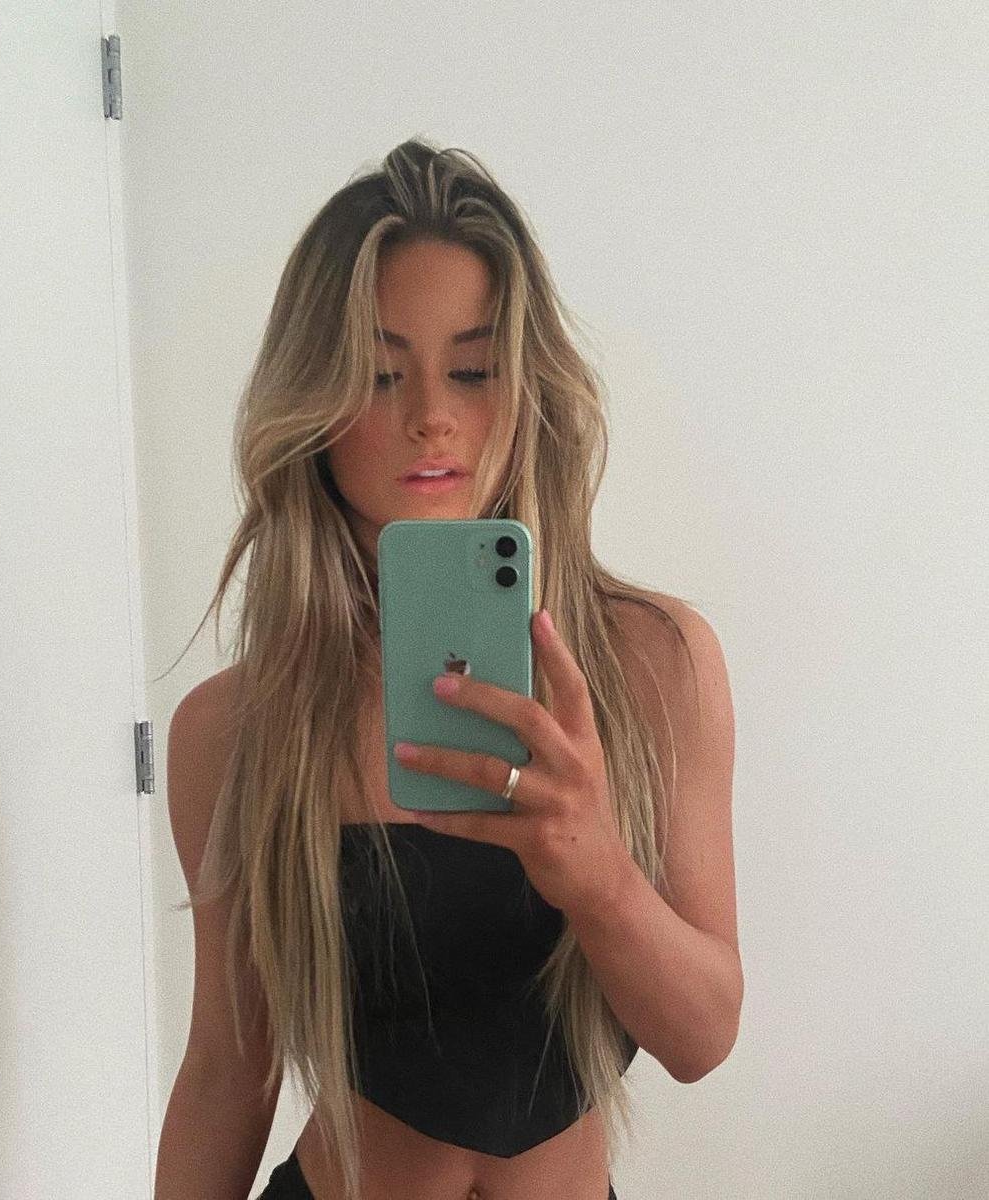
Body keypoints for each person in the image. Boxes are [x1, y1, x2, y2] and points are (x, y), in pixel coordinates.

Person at [153, 138, 741, 1200]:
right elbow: (226, 1074)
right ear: (315, 405)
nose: (431, 413)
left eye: (472, 369)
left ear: (528, 384)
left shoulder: (655, 666)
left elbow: (703, 1037)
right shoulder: (236, 729)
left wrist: (599, 875)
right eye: (380, 375)